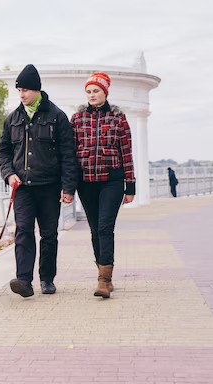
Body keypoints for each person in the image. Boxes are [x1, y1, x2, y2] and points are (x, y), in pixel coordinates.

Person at [0, 64, 79, 297]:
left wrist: (68, 187)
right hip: (22, 187)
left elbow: (67, 154)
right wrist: (8, 173)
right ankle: (23, 280)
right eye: (19, 90)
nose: (21, 95)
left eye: (25, 90)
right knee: (23, 230)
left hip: (49, 186)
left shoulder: (57, 116)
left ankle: (47, 279)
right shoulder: (12, 118)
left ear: (37, 90)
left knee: (48, 234)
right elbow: (3, 151)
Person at [71, 72, 135, 299]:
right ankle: (103, 271)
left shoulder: (118, 118)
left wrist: (130, 186)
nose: (91, 95)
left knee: (105, 227)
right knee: (95, 229)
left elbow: (126, 152)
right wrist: (69, 185)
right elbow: (70, 154)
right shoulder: (77, 118)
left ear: (105, 92)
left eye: (96, 91)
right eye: (88, 91)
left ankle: (104, 280)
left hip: (112, 181)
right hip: (86, 182)